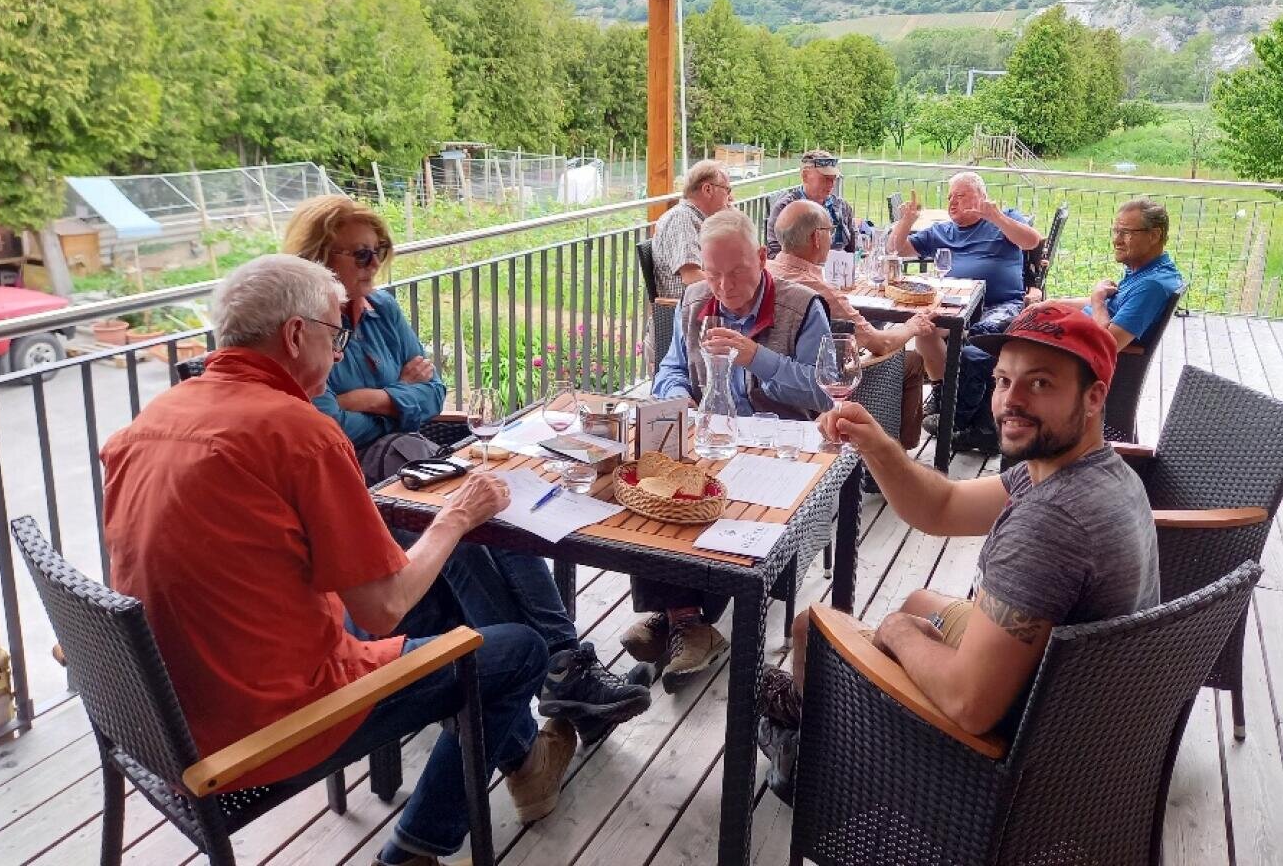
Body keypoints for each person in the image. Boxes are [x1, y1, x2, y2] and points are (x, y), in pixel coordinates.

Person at [101, 255, 571, 866]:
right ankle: (417, 845)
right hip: (263, 727)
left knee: (439, 604)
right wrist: (457, 515)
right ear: (297, 336)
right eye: (336, 333)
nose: (340, 348)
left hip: (158, 709)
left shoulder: (149, 421)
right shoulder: (299, 431)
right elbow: (382, 611)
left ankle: (527, 763)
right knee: (517, 653)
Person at [754, 301, 1160, 803]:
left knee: (810, 628)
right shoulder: (1088, 469)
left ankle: (815, 762)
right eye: (1003, 381)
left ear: (1094, 397)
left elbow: (970, 706)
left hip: (1013, 758)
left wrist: (897, 633)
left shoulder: (1049, 525)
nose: (1012, 400)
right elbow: (943, 506)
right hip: (1080, 706)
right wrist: (877, 443)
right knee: (920, 601)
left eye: (1040, 383)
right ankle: (811, 715)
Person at [283, 196, 650, 748]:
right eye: (361, 252)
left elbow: (431, 394)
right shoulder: (306, 329)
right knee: (467, 527)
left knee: (497, 510)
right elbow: (327, 422)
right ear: (317, 257)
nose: (374, 262)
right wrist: (395, 398)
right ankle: (559, 667)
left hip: (414, 459)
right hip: (351, 484)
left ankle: (561, 666)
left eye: (381, 249)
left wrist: (372, 398)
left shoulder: (383, 312)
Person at [623, 208, 834, 691]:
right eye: (714, 273)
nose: (723, 285)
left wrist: (757, 357)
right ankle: (686, 622)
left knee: (719, 504)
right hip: (710, 442)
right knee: (656, 485)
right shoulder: (694, 299)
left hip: (778, 452)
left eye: (736, 272)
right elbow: (673, 367)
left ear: (762, 257)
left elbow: (823, 391)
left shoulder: (801, 308)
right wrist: (673, 396)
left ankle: (677, 620)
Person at [889, 172, 1042, 451]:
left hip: (1000, 304)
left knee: (976, 345)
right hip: (956, 304)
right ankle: (944, 393)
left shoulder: (1003, 219)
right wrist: (906, 222)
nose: (952, 202)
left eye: (960, 196)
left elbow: (1032, 241)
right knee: (926, 328)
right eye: (950, 197)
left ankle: (957, 417)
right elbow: (898, 249)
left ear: (980, 197)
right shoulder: (943, 231)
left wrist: (996, 218)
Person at [768, 198, 935, 448]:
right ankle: (894, 455)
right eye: (830, 231)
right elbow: (882, 343)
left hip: (771, 385)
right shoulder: (817, 291)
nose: (831, 238)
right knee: (911, 362)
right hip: (822, 390)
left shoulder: (765, 272)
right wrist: (913, 327)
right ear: (817, 238)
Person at [1059, 198, 1183, 352]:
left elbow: (1106, 345)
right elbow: (1111, 306)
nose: (1116, 240)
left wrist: (1098, 300)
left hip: (1073, 356)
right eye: (1116, 231)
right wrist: (1051, 304)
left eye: (1126, 233)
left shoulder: (1152, 286)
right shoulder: (1146, 270)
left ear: (1154, 236)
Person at [651, 159, 735, 299]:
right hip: (687, 312)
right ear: (707, 189)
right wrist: (734, 286)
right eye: (727, 190)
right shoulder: (681, 219)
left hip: (707, 302)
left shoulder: (702, 219)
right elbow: (691, 276)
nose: (731, 197)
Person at [765, 150, 858, 257]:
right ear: (805, 176)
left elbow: (853, 250)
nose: (831, 184)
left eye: (834, 178)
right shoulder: (785, 208)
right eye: (826, 178)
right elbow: (775, 253)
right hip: (798, 272)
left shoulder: (842, 207)